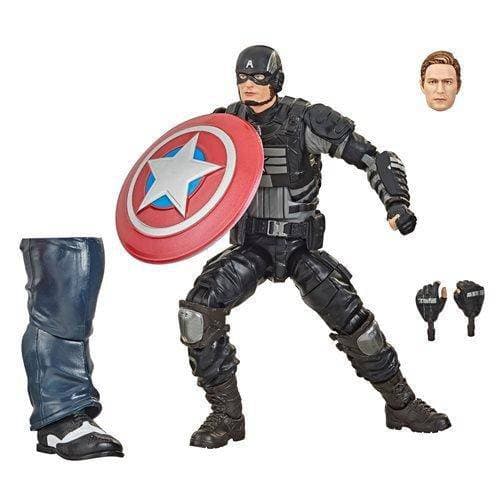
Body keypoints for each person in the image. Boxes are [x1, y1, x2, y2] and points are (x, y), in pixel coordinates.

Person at [179, 45, 451, 449]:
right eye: (242, 78)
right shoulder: (226, 125)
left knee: (357, 327)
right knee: (197, 314)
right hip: (251, 245)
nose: (249, 85)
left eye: (259, 77)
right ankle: (226, 416)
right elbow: (189, 178)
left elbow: (373, 158)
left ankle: (402, 405)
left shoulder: (305, 120)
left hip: (298, 245)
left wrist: (396, 203)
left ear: (276, 80)